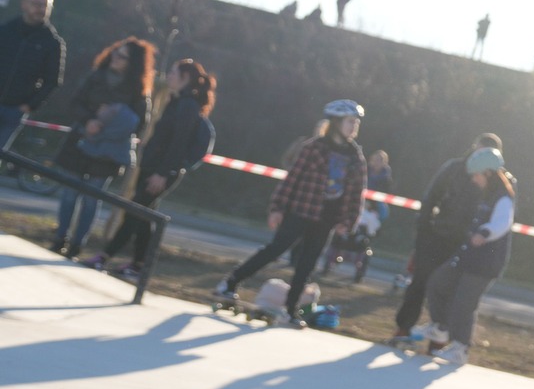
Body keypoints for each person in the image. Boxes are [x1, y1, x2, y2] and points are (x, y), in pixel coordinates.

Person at [214, 99, 367, 322]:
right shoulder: (313, 148)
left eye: (356, 123)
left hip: (327, 218)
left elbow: (356, 193)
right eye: (350, 122)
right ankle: (230, 283)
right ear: (335, 122)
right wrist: (277, 207)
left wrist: (350, 220)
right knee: (275, 250)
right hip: (301, 210)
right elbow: (291, 180)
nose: (354, 127)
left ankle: (290, 309)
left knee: (307, 265)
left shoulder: (356, 158)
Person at [95, 58, 218, 279]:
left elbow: (178, 143)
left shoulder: (187, 106)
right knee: (143, 217)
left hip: (161, 172)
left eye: (173, 72)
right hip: (152, 167)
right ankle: (138, 265)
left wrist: (162, 173)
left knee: (134, 213)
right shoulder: (177, 101)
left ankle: (104, 256)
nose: (169, 76)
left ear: (185, 78)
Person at [388, 133, 502, 343]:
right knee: (419, 283)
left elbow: (498, 215)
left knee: (447, 291)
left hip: (465, 243)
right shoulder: (453, 169)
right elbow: (431, 198)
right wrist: (423, 230)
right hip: (436, 235)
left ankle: (438, 339)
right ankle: (404, 327)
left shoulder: (496, 182)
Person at [50, 37, 154, 256]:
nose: (116, 58)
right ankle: (60, 237)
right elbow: (74, 103)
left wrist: (112, 120)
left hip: (108, 151)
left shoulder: (138, 90)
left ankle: (77, 245)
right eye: (116, 52)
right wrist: (90, 120)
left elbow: (140, 123)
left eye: (122, 56)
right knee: (69, 193)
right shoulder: (95, 76)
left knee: (91, 198)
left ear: (133, 63)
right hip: (80, 141)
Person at [0, 0, 65, 151]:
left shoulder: (52, 43)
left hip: (14, 108)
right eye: (36, 4)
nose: (41, 9)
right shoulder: (6, 31)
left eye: (45, 6)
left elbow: (52, 80)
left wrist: (29, 105)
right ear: (24, 4)